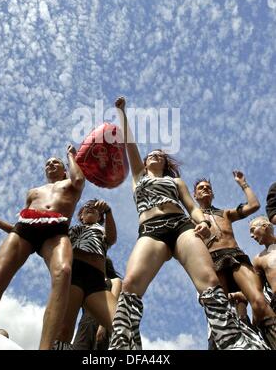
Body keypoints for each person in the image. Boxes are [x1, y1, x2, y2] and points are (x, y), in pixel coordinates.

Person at [108, 96, 263, 351]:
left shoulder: (176, 182)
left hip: (181, 226)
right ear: (146, 162)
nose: (155, 156)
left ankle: (233, 342)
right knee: (131, 284)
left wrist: (201, 222)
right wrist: (122, 112)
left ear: (166, 164)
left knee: (209, 281)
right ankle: (122, 347)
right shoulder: (138, 177)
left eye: (160, 155)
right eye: (152, 155)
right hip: (151, 230)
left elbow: (191, 207)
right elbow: (129, 144)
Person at [0, 145, 85, 350]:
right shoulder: (33, 192)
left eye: (56, 162)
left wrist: (71, 156)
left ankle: (45, 348)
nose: (50, 164)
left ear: (64, 169)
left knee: (64, 272)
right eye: (47, 163)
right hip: (24, 229)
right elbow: (19, 228)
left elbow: (79, 179)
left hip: (56, 231)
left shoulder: (72, 183)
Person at [194, 176, 276, 348]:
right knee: (222, 314)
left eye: (208, 187)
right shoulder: (192, 218)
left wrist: (243, 184)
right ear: (195, 195)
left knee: (260, 303)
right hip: (212, 262)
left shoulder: (226, 213)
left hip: (235, 256)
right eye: (201, 188)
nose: (205, 189)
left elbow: (254, 206)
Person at [53, 199, 118, 350]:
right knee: (63, 331)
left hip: (96, 280)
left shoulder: (102, 230)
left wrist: (108, 212)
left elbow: (112, 238)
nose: (90, 208)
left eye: (95, 208)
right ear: (81, 215)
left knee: (122, 325)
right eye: (86, 207)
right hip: (73, 277)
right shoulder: (71, 230)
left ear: (100, 217)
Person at [73, 257, 122, 350]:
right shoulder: (88, 283)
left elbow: (113, 303)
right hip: (85, 324)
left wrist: (103, 326)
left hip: (102, 322)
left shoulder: (115, 281)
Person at [250, 216, 276, 313]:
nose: (251, 236)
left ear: (264, 226)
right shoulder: (258, 259)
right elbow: (257, 292)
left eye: (253, 230)